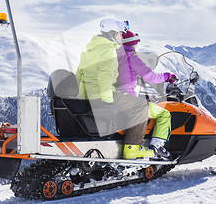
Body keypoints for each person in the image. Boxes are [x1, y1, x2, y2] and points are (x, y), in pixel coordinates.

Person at [75, 18, 154, 160]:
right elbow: (104, 78)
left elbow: (78, 75)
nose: (121, 37)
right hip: (100, 96)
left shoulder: (88, 52)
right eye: (119, 33)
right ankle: (133, 147)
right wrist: (107, 102)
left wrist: (78, 98)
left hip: (85, 97)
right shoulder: (108, 52)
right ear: (112, 34)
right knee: (141, 106)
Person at [116, 30, 177, 160]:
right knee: (164, 114)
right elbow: (149, 76)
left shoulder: (113, 56)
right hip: (127, 99)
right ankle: (157, 147)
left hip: (113, 97)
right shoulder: (131, 57)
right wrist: (167, 76)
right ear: (132, 44)